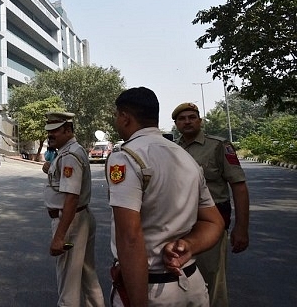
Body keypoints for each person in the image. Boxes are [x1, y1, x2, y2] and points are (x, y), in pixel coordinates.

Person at [107, 87, 224, 307]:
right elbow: (214, 222)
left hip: (151, 289)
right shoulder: (186, 157)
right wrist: (189, 245)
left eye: (116, 116)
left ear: (124, 117)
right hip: (192, 284)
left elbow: (130, 238)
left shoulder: (126, 157)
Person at [173, 102, 250, 307]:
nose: (187, 121)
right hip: (180, 225)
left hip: (211, 223)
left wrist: (241, 228)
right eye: (182, 119)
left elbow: (239, 186)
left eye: (191, 117)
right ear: (176, 124)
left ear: (200, 121)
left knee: (213, 280)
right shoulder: (173, 150)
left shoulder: (218, 146)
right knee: (182, 280)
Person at [42, 111, 106, 307]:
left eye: (55, 131)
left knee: (68, 283)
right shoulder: (70, 151)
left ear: (68, 130)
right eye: (49, 131)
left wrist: (60, 236)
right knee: (87, 276)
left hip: (70, 221)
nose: (50, 135)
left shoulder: (69, 155)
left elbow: (71, 197)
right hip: (79, 218)